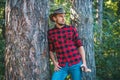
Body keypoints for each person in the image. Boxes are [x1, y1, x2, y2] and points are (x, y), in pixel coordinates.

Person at [48, 8, 89, 80]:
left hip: (76, 63)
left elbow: (80, 46)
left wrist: (84, 63)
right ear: (54, 18)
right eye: (61, 16)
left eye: (64, 16)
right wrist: (54, 63)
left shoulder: (71, 29)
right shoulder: (51, 33)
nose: (63, 18)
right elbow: (51, 50)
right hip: (62, 65)